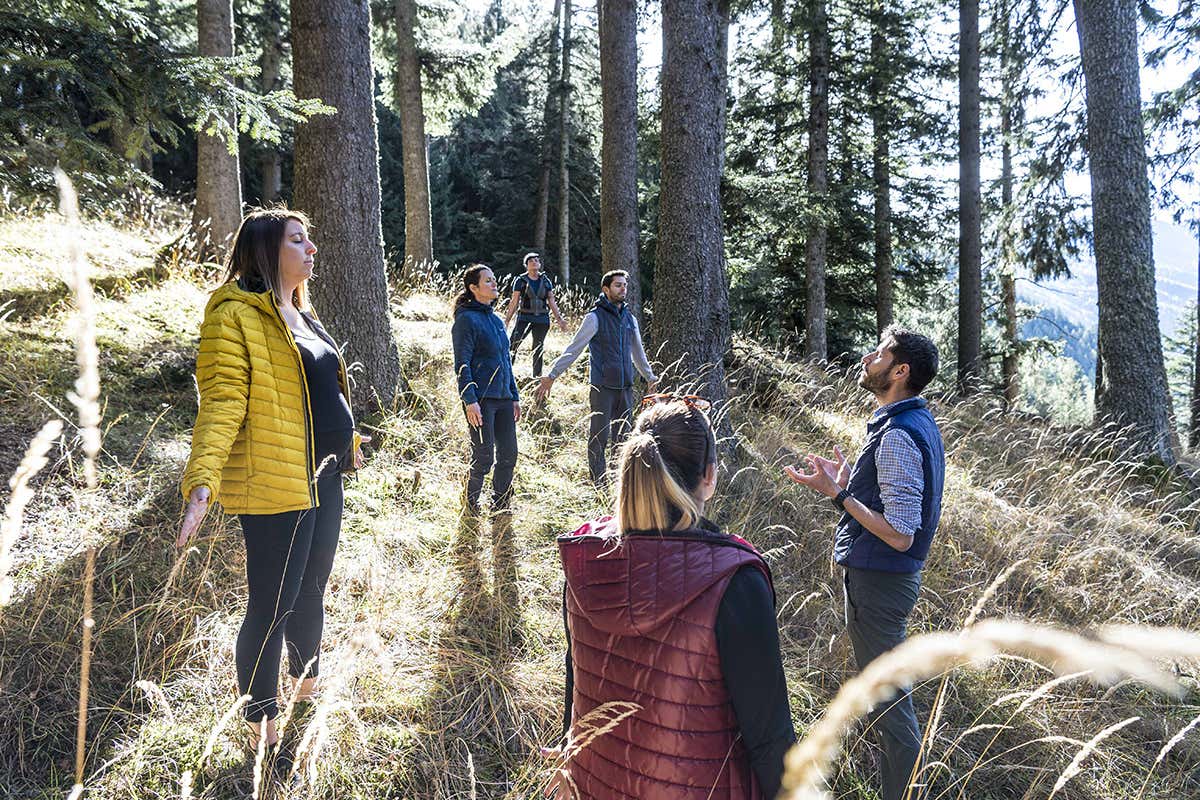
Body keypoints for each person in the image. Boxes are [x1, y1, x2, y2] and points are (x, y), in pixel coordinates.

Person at [176, 209, 367, 751]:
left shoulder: (302, 313)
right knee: (272, 604)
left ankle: (306, 689)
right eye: (298, 240)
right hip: (274, 480)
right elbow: (222, 400)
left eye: (310, 240)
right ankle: (261, 726)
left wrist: (349, 443)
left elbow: (318, 394)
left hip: (324, 478)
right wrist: (202, 480)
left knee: (312, 588)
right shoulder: (233, 315)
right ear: (266, 250)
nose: (311, 249)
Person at [551, 397, 795, 799]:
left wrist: (567, 755)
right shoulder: (733, 580)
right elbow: (770, 741)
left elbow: (577, 684)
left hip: (593, 784)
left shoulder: (586, 560)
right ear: (709, 476)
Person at [784, 325, 945, 800]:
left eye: (879, 354)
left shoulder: (898, 434)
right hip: (884, 582)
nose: (867, 358)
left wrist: (837, 494)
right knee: (884, 697)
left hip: (880, 585)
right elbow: (899, 499)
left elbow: (900, 532)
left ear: (900, 371)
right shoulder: (911, 421)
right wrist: (852, 481)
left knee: (890, 706)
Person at [535, 270, 657, 486]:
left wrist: (649, 377)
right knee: (599, 437)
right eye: (618, 285)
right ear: (606, 289)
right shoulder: (594, 318)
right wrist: (552, 375)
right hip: (602, 388)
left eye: (625, 285)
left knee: (623, 438)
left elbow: (637, 352)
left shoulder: (630, 319)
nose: (623, 289)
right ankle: (598, 483)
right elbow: (573, 349)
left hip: (625, 388)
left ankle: (619, 482)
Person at [451, 264, 521, 516]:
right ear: (473, 288)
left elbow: (506, 361)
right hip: (481, 400)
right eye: (488, 281)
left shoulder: (497, 320)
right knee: (483, 457)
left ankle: (500, 506)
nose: (494, 284)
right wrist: (470, 400)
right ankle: (471, 507)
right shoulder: (466, 320)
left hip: (504, 399)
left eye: (494, 279)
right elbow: (462, 364)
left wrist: (514, 396)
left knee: (509, 454)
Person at [503, 252, 568, 377]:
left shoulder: (546, 281)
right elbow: (514, 301)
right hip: (524, 318)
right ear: (526, 265)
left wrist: (559, 320)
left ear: (540, 264)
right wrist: (507, 320)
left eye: (536, 260)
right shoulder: (520, 281)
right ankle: (506, 373)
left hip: (542, 320)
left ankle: (536, 377)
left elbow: (551, 301)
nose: (534, 262)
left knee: (538, 348)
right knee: (513, 344)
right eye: (531, 261)